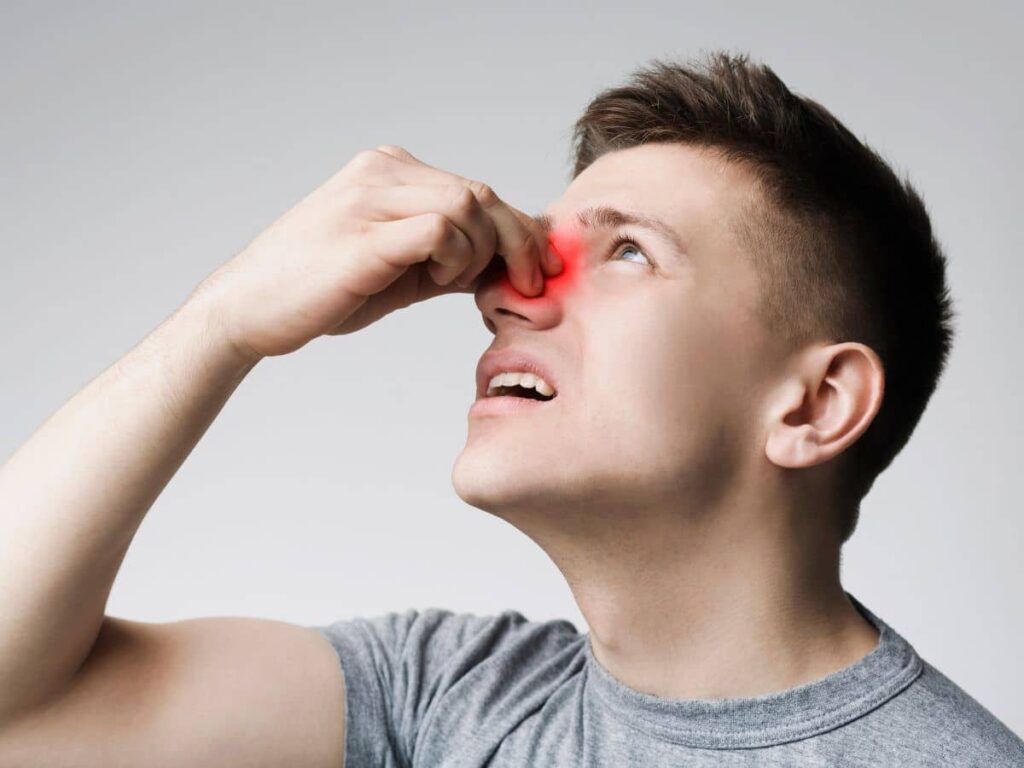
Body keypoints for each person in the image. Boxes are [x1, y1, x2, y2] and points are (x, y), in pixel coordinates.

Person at [0, 49, 1019, 767]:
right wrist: (229, 321)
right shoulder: (445, 701)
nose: (504, 291)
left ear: (814, 404)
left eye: (627, 251)